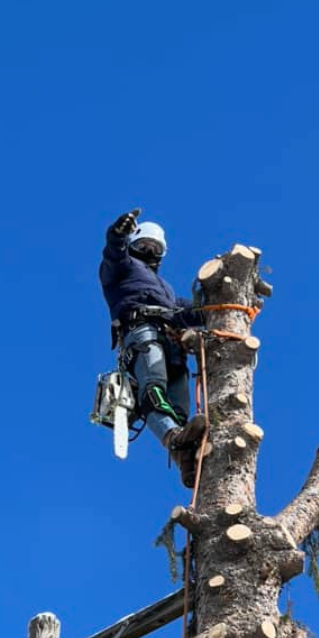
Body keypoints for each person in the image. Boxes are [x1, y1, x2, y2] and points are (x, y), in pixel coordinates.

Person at [99, 208, 206, 487]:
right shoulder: (121, 270)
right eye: (143, 244)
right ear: (133, 244)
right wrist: (117, 234)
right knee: (153, 391)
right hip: (142, 332)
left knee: (179, 407)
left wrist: (226, 303)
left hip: (172, 342)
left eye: (154, 247)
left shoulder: (167, 290)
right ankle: (173, 439)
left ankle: (187, 458)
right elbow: (113, 253)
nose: (148, 250)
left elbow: (192, 312)